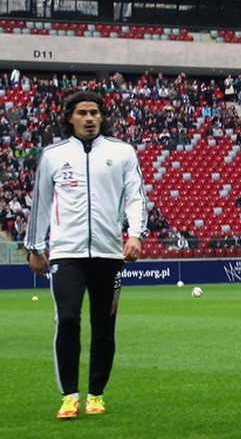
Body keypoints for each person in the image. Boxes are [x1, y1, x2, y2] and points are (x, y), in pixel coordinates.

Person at [24, 90, 148, 420]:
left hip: (109, 255)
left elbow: (136, 198)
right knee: (67, 320)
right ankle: (70, 395)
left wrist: (135, 234)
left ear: (103, 117)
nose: (90, 118)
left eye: (95, 112)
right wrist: (35, 248)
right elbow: (41, 204)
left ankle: (96, 393)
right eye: (82, 112)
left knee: (104, 326)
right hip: (66, 254)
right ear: (70, 118)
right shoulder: (53, 155)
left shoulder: (122, 152)